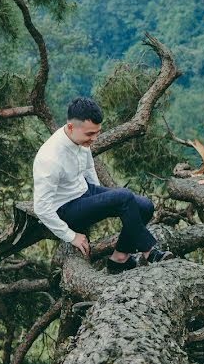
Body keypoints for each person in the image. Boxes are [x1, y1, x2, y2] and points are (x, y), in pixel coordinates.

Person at [32, 97, 172, 274]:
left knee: (145, 206)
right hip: (65, 209)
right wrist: (71, 236)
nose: (94, 138)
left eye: (97, 132)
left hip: (85, 192)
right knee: (123, 196)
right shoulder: (49, 158)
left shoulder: (80, 139)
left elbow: (89, 167)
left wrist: (100, 202)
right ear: (70, 127)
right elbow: (42, 208)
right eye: (90, 134)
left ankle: (120, 259)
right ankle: (150, 252)